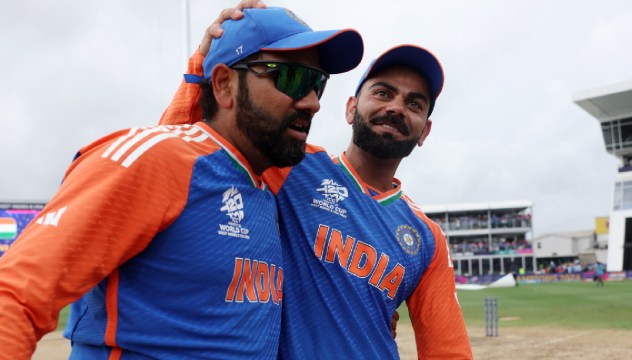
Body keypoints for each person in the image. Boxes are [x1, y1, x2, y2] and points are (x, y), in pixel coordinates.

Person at [0, 7, 363, 359]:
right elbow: (14, 297)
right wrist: (197, 71)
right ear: (224, 84)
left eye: (318, 83)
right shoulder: (153, 159)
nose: (313, 102)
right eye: (293, 78)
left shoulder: (268, 184)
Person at [160, 5, 472, 359]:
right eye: (383, 93)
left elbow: (448, 348)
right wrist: (203, 62)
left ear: (424, 132)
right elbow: (183, 152)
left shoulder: (426, 237)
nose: (398, 108)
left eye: (415, 104)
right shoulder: (292, 164)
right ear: (351, 108)